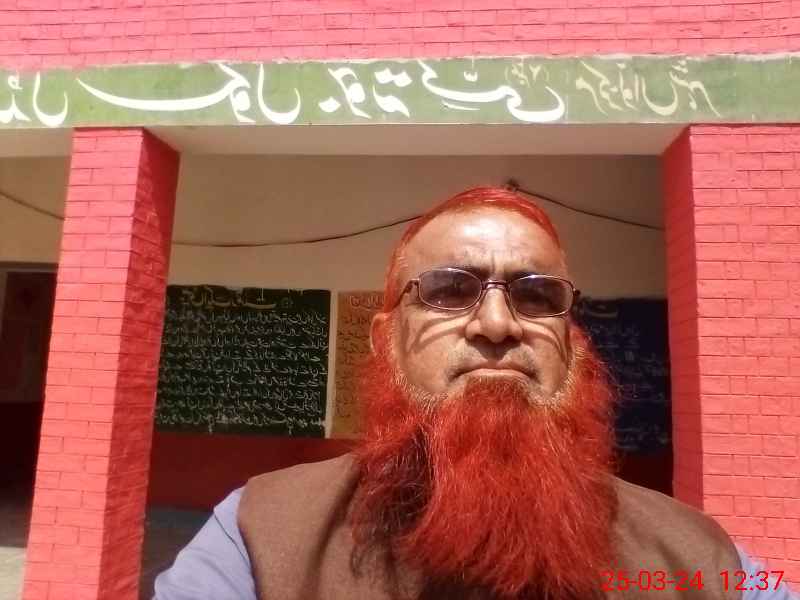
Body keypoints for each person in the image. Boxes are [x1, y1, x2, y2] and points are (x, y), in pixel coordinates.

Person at [154, 187, 796, 599]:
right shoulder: (261, 535)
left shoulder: (699, 559)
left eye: (536, 296)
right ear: (387, 341)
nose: (496, 324)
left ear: (571, 344)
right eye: (449, 291)